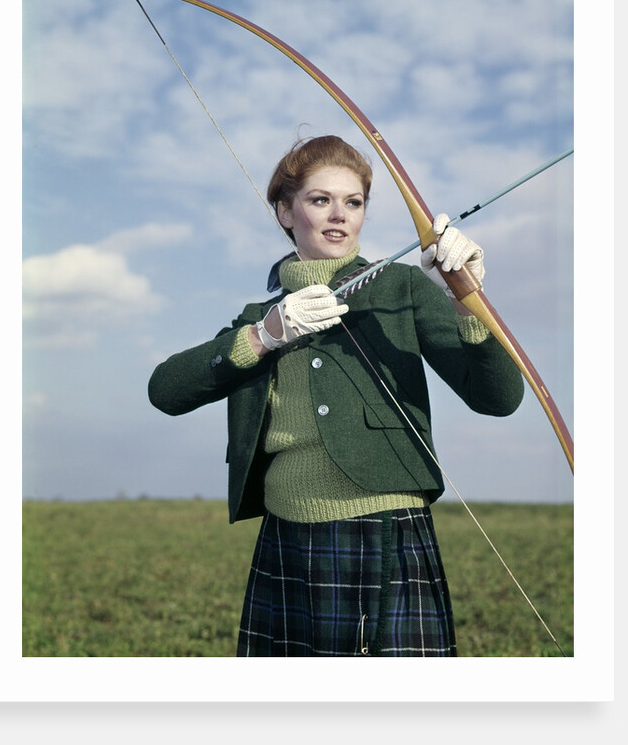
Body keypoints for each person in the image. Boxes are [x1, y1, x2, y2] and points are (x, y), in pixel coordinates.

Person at [148, 135, 524, 657]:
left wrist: (468, 299)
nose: (339, 216)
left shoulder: (401, 287)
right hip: (287, 535)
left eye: (354, 202)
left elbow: (498, 397)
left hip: (387, 529)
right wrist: (265, 336)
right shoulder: (261, 316)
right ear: (285, 210)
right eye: (319, 199)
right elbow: (165, 389)